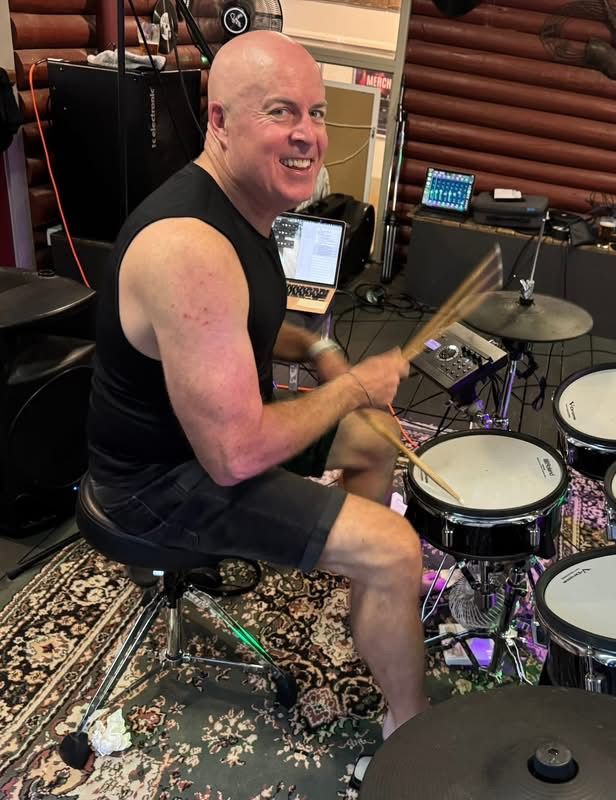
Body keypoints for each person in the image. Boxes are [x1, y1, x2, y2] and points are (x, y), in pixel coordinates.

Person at [86, 30, 429, 741]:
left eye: (316, 113)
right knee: (398, 546)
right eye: (280, 112)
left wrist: (322, 349)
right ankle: (413, 733)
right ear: (219, 120)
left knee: (374, 440)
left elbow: (245, 324)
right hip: (160, 486)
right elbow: (236, 455)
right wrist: (353, 387)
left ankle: (362, 593)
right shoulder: (190, 249)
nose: (308, 135)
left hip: (203, 443)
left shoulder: (241, 205)